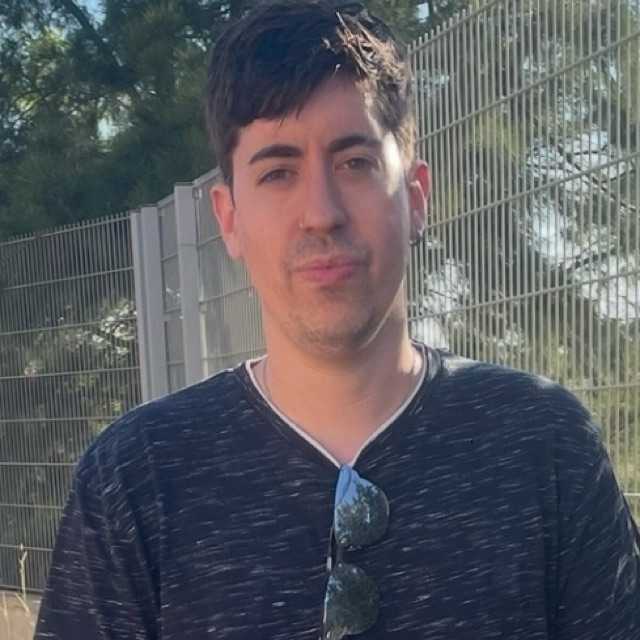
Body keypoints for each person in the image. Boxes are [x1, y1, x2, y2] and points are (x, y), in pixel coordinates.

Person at [35, 1, 639, 639]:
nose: (321, 212)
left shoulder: (542, 444)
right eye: (278, 172)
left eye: (355, 163)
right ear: (229, 218)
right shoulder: (137, 479)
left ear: (415, 197)